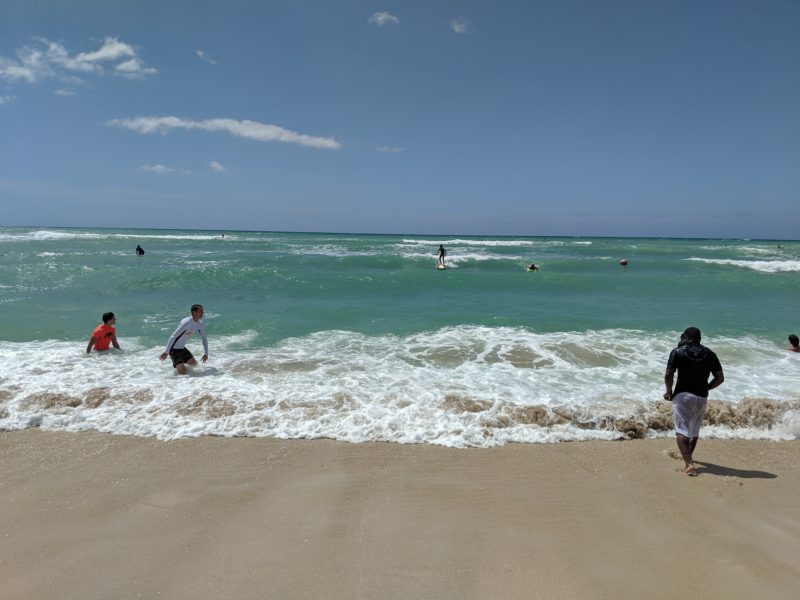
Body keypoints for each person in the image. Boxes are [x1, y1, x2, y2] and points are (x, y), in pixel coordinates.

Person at [663, 327, 724, 476]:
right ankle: (688, 457)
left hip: (683, 395)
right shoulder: (710, 354)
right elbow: (720, 378)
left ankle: (689, 464)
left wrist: (669, 391)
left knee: (681, 430)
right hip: (701, 396)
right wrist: (707, 388)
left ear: (685, 337)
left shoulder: (677, 352)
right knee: (693, 430)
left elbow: (669, 373)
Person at [159, 304, 209, 375]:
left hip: (182, 348)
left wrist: (206, 354)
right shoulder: (186, 322)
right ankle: (173, 379)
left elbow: (204, 338)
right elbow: (174, 336)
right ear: (194, 312)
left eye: (202, 311)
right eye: (200, 311)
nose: (202, 313)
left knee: (194, 365)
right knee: (183, 373)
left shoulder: (199, 324)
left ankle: (178, 367)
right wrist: (166, 352)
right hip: (174, 349)